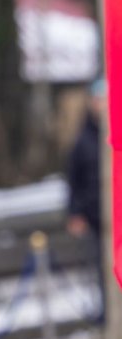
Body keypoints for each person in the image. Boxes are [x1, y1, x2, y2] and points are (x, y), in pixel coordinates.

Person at [66, 78, 105, 321]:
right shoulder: (83, 141)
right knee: (104, 268)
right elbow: (74, 179)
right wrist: (75, 213)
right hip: (97, 216)